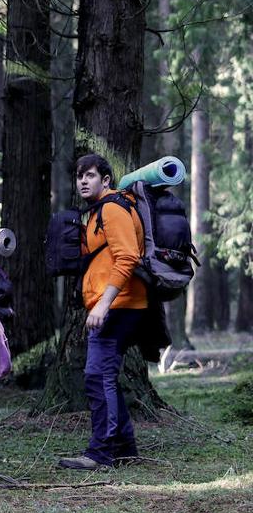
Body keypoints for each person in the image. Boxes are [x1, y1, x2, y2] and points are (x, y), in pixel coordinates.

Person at [59, 153, 146, 470]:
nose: (83, 180)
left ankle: (101, 453)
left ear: (105, 180)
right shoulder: (98, 212)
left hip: (118, 305)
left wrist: (103, 304)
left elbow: (128, 258)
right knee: (104, 375)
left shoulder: (112, 208)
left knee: (97, 376)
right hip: (115, 303)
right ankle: (124, 447)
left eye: (91, 175)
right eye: (80, 175)